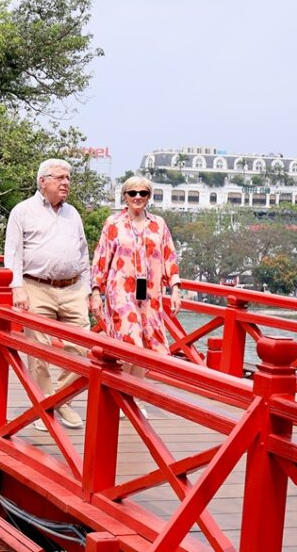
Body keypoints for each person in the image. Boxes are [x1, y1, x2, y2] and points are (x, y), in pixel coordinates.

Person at [3, 159, 90, 430]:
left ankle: (62, 400)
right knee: (38, 349)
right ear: (43, 181)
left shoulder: (72, 213)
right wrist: (16, 286)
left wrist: (87, 288)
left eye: (68, 178)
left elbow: (83, 252)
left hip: (73, 287)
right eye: (60, 178)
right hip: (36, 285)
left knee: (81, 346)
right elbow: (13, 252)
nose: (66, 183)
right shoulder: (23, 211)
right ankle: (43, 404)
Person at [90, 175, 182, 416]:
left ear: (149, 197)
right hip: (120, 290)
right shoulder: (113, 223)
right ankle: (121, 391)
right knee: (131, 340)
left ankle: (132, 394)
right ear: (125, 196)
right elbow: (101, 259)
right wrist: (95, 292)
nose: (138, 197)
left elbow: (169, 256)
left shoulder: (158, 224)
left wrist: (175, 288)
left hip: (150, 292)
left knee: (147, 343)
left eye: (143, 193)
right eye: (133, 193)